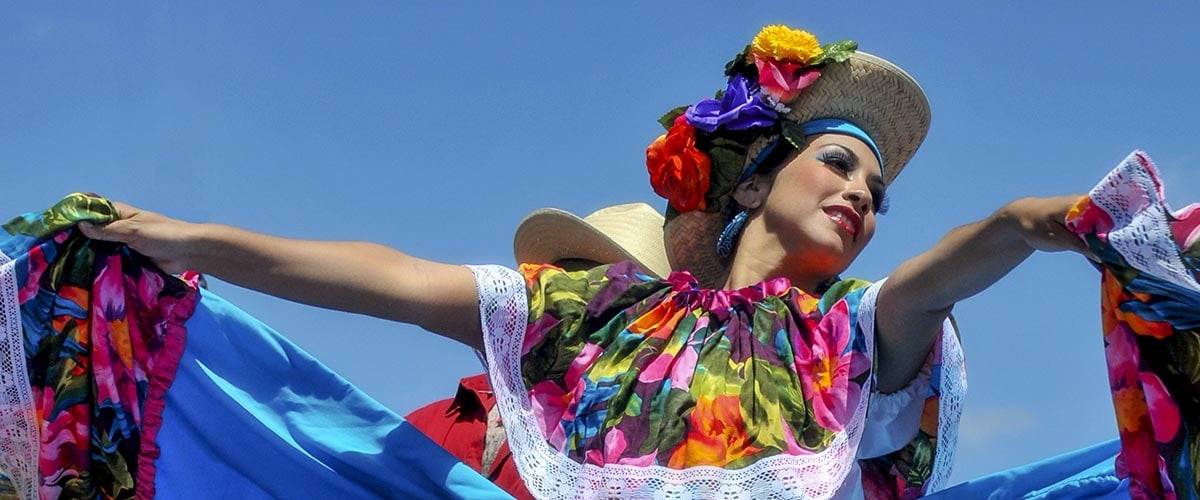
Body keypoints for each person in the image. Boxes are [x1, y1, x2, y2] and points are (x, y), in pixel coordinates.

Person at [77, 24, 1095, 498]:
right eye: (838, 162)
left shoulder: (850, 336)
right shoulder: (602, 315)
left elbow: (945, 273)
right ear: (751, 185)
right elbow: (391, 278)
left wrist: (1032, 220)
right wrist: (190, 239)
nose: (863, 195)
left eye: (877, 191)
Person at [405, 202, 671, 499]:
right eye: (559, 283)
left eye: (602, 293)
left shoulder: (646, 466)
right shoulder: (421, 428)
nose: (568, 306)